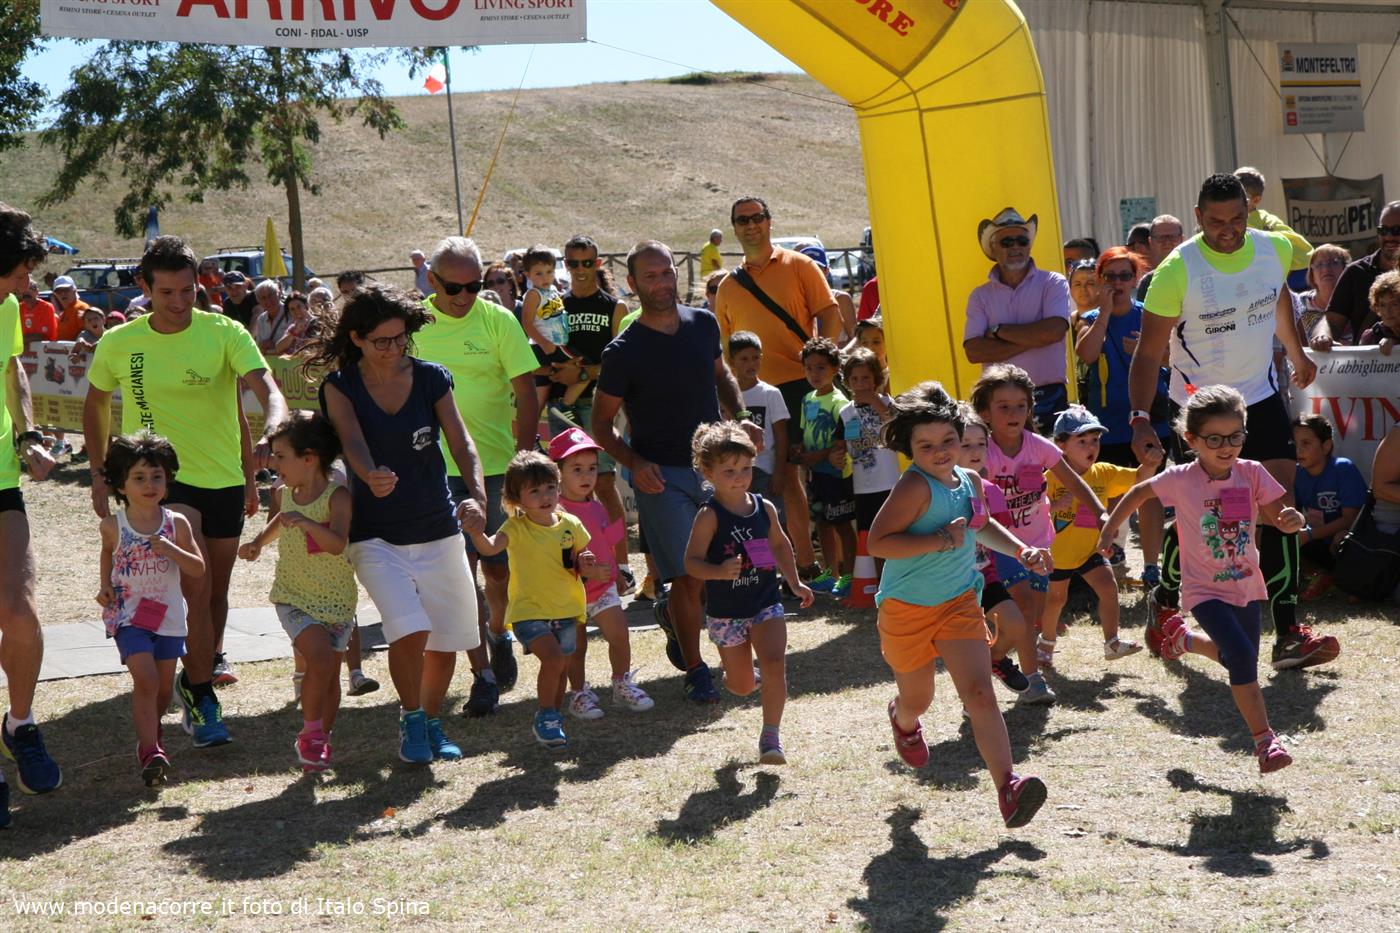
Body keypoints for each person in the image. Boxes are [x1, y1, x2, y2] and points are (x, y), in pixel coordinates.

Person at [85, 235, 287, 748]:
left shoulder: (225, 332)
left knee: (214, 593)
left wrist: (270, 433)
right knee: (195, 584)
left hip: (222, 479)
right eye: (167, 292)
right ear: (145, 287)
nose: (178, 302)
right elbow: (96, 403)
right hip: (162, 482)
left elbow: (265, 390)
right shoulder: (120, 341)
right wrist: (98, 473)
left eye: (187, 290)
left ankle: (196, 674)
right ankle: (201, 693)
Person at [1130, 173, 1337, 673]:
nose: (1228, 230)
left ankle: (1287, 633)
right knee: (1208, 517)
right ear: (1198, 218)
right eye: (1216, 221)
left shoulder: (1273, 249)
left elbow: (1277, 297)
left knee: (1279, 505)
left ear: (1250, 212)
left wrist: (1296, 353)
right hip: (1200, 406)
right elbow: (1148, 353)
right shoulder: (1176, 271)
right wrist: (1139, 419)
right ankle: (1166, 603)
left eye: (1237, 219)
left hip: (1259, 398)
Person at [309, 282, 484, 763]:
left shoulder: (431, 378)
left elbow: (461, 442)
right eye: (381, 340)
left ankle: (432, 721)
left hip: (438, 527)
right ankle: (411, 718)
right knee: (409, 629)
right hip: (374, 535)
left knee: (446, 636)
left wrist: (476, 496)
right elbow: (351, 440)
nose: (393, 348)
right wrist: (369, 474)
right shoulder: (339, 386)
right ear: (358, 339)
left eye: (400, 337)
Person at [867, 387, 1051, 829]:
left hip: (959, 602)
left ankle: (1008, 788)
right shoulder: (914, 485)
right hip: (906, 609)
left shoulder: (968, 481)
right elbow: (878, 542)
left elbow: (980, 526)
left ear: (962, 434)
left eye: (948, 441)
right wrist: (938, 540)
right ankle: (903, 720)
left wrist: (1022, 549)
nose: (940, 452)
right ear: (910, 449)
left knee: (980, 693)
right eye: (926, 446)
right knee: (919, 699)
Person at [1098, 385, 1307, 774]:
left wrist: (1292, 520)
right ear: (1191, 439)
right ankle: (1266, 741)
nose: (1227, 447)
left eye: (1235, 437)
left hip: (1246, 585)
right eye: (1215, 439)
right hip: (1204, 590)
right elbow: (1139, 493)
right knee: (1241, 658)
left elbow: (1280, 517)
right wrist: (1110, 529)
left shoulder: (1252, 472)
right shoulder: (1181, 478)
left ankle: (1183, 639)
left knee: (1236, 658)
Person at [592, 240, 762, 704]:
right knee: (690, 576)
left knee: (727, 567)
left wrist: (741, 417)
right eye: (650, 276)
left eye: (666, 272)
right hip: (661, 477)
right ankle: (696, 669)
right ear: (632, 283)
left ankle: (683, 622)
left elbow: (722, 376)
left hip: (714, 469)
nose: (662, 282)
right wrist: (634, 463)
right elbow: (601, 426)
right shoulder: (623, 351)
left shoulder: (703, 324)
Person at [414, 236, 541, 716]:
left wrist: (523, 459)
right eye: (454, 288)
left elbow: (526, 393)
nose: (464, 296)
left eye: (473, 286)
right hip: (434, 472)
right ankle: (481, 673)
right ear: (432, 280)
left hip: (496, 467)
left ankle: (498, 631)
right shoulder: (413, 325)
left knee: (498, 571)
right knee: (457, 575)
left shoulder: (498, 320)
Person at [715, 195, 841, 575]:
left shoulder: (800, 265)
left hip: (802, 386)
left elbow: (830, 313)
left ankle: (822, 564)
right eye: (742, 220)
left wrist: (823, 363)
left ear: (769, 221)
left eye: (757, 217)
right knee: (765, 478)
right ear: (734, 228)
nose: (750, 225)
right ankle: (786, 564)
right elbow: (722, 348)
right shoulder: (727, 286)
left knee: (812, 476)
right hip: (752, 395)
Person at [974, 363, 1108, 705]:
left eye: (1021, 406)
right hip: (1001, 546)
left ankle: (992, 659)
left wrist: (1100, 512)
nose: (1013, 413)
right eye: (1003, 406)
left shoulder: (1038, 446)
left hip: (1039, 543)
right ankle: (1032, 680)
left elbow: (1073, 480)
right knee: (1021, 605)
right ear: (985, 412)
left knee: (1031, 613)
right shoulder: (982, 452)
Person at [685, 421, 813, 764]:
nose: (739, 477)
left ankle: (771, 736)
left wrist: (795, 582)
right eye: (729, 471)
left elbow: (780, 544)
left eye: (745, 468)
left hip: (765, 602)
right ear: (708, 472)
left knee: (774, 663)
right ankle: (739, 676)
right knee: (742, 686)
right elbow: (691, 562)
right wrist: (718, 571)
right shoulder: (709, 515)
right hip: (726, 612)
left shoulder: (763, 507)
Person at [237, 412, 356, 772]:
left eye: (280, 456)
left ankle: (322, 737)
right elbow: (281, 518)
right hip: (293, 597)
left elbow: (337, 544)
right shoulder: (286, 494)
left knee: (329, 674)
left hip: (336, 600)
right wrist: (258, 542)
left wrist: (306, 524)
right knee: (319, 659)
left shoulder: (338, 497)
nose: (274, 464)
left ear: (310, 458)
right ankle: (310, 732)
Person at [462, 451, 595, 750]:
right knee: (554, 659)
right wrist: (476, 533)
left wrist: (587, 564)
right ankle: (545, 715)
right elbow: (490, 547)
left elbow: (580, 560)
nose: (545, 496)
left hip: (568, 610)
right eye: (534, 491)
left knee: (561, 668)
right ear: (517, 498)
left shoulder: (571, 524)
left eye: (550, 487)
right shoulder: (515, 527)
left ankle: (552, 719)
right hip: (529, 612)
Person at [0, 204, 63, 826]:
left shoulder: (6, 309)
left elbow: (11, 366)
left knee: (18, 611)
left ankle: (20, 724)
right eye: (21, 271)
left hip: (0, 480)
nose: (28, 284)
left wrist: (27, 435)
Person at [95, 432, 205, 787]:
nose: (149, 484)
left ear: (168, 479)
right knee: (146, 678)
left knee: (162, 692)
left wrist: (173, 550)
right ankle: (150, 751)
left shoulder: (177, 523)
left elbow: (198, 568)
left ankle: (152, 732)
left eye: (157, 476)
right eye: (139, 477)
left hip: (168, 617)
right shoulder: (113, 525)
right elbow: (108, 553)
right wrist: (105, 585)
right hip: (129, 617)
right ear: (121, 485)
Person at [1075, 246, 1173, 584]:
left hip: (1151, 419)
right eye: (1110, 276)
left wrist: (1150, 350)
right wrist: (1103, 313)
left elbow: (1174, 359)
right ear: (1100, 280)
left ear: (1135, 279)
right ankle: (1111, 558)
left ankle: (1151, 566)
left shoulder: (1150, 315)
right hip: (1106, 423)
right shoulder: (1089, 319)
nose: (1117, 283)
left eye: (1124, 276)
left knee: (1149, 491)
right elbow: (1086, 354)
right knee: (1111, 492)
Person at [1036, 407, 1155, 672]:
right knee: (1056, 601)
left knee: (1109, 588)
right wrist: (1053, 505)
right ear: (1060, 445)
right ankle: (1046, 645)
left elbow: (1138, 478)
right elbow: (1032, 510)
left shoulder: (1103, 472)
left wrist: (1150, 463)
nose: (1092, 447)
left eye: (1095, 440)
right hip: (1057, 556)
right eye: (1082, 441)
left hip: (1090, 551)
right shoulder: (1050, 477)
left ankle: (1112, 642)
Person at [550, 235, 634, 594]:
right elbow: (549, 358)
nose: (581, 270)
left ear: (598, 264)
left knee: (603, 483)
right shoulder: (556, 305)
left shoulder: (615, 307)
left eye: (587, 263)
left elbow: (622, 363)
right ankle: (573, 563)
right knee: (564, 487)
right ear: (565, 265)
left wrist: (584, 373)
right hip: (563, 405)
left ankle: (622, 563)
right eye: (573, 263)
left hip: (600, 404)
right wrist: (562, 375)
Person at [551, 428, 653, 718]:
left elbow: (607, 541)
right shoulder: (554, 514)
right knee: (577, 647)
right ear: (558, 473)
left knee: (620, 635)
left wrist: (618, 573)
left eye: (592, 468)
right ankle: (579, 694)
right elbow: (554, 560)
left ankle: (621, 684)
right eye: (577, 469)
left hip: (603, 588)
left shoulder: (597, 506)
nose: (586, 476)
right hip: (571, 593)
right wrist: (585, 571)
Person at [963, 207, 1072, 434]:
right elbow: (974, 351)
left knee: (1051, 457)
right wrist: (1037, 338)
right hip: (998, 399)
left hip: (1048, 396)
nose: (1016, 247)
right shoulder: (979, 295)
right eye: (1007, 242)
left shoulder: (1053, 282)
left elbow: (1054, 331)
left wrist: (998, 331)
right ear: (993, 248)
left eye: (1022, 241)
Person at [955, 406, 1030, 694]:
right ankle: (972, 700)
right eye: (966, 445)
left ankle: (995, 659)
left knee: (1016, 626)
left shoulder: (992, 491)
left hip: (985, 576)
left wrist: (1025, 552)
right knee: (968, 650)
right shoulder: (936, 491)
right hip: (951, 583)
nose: (975, 451)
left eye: (981, 444)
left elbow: (1000, 531)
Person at [793, 337, 856, 598]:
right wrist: (800, 450)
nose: (814, 373)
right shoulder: (807, 399)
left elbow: (845, 440)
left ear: (835, 368)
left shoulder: (840, 402)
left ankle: (849, 576)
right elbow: (805, 432)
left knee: (842, 525)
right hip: (816, 475)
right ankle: (831, 574)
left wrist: (818, 456)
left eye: (821, 367)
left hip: (837, 475)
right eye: (809, 368)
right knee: (822, 524)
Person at [1291, 413, 1367, 600]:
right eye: (1294, 443)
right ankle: (1320, 576)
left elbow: (1351, 519)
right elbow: (1292, 512)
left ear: (1326, 446)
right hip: (1318, 540)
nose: (1298, 450)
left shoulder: (1343, 469)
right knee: (1283, 536)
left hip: (1348, 541)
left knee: (1342, 537)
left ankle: (1356, 582)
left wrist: (1309, 534)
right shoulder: (1295, 473)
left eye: (1306, 443)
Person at [838, 348, 898, 573]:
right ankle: (880, 581)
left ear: (876, 379)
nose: (860, 384)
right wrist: (835, 456)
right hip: (863, 487)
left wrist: (875, 401)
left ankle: (899, 578)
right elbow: (839, 444)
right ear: (847, 382)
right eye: (854, 379)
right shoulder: (845, 412)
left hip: (889, 483)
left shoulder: (888, 403)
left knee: (894, 532)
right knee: (871, 537)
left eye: (865, 378)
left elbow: (895, 427)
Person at [1321, 201, 1400, 345]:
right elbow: (1331, 321)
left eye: (1397, 230)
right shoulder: (1356, 272)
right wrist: (1323, 337)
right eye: (1383, 230)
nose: (1389, 237)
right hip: (1368, 359)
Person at [727, 331, 789, 504]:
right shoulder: (726, 396)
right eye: (744, 359)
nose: (751, 364)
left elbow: (781, 437)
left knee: (771, 518)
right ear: (731, 361)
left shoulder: (771, 394)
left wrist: (779, 472)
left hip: (765, 471)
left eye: (755, 358)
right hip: (733, 472)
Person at [1235, 167, 1313, 271]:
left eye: (1240, 197)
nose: (1233, 201)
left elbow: (1304, 253)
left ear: (1256, 200)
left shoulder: (1266, 220)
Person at [1295, 245, 1351, 347]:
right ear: (1312, 274)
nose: (1326, 269)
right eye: (1319, 264)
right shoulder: (1298, 302)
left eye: (1334, 262)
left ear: (1345, 269)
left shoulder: (1357, 303)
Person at [1133, 215, 1186, 302]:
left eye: (1173, 237)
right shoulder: (1148, 282)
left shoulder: (1196, 273)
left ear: (1182, 239)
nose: (1167, 242)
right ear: (1150, 242)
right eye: (1161, 237)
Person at [1358, 270, 1400, 352]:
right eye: (1382, 305)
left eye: (1394, 304)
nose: (1388, 311)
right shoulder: (1371, 337)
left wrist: (1395, 343)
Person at [272, 291, 318, 356]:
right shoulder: (292, 327)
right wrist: (295, 332)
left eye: (299, 307)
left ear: (306, 305)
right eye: (292, 309)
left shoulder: (319, 323)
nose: (296, 311)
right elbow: (278, 348)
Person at [250, 279, 291, 353]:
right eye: (263, 298)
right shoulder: (261, 319)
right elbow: (259, 346)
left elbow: (298, 342)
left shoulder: (291, 313)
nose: (268, 300)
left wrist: (275, 346)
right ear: (258, 301)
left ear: (279, 294)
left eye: (270, 295)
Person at [19, 278, 56, 349]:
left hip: (45, 350)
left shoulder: (46, 307)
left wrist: (18, 339)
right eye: (23, 289)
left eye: (30, 288)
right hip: (25, 350)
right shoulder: (19, 308)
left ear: (37, 291)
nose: (26, 292)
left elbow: (42, 336)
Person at [51, 275, 90, 342]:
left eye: (66, 290)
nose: (63, 294)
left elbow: (88, 335)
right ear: (55, 294)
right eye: (58, 291)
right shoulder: (65, 311)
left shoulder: (81, 308)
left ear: (74, 290)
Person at [1066, 259, 1099, 332]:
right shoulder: (1066, 324)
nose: (1083, 289)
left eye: (1090, 283)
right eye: (1077, 284)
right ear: (1070, 289)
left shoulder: (1111, 319)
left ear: (1100, 287)